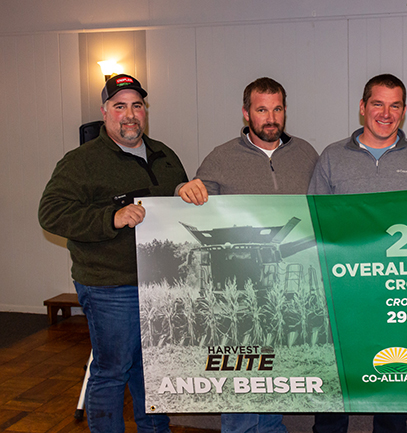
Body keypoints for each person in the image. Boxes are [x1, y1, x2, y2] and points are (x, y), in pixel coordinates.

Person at [39, 74, 188, 432]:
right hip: (110, 286)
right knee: (112, 371)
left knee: (152, 370)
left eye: (137, 105)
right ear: (105, 112)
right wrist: (111, 217)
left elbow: (176, 202)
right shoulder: (81, 162)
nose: (130, 115)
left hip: (161, 285)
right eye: (120, 106)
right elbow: (51, 213)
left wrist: (186, 191)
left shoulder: (164, 155)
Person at [178, 77, 319, 433]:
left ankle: (270, 428)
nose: (271, 118)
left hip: (277, 282)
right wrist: (183, 188)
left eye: (277, 109)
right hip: (235, 286)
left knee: (272, 369)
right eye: (261, 110)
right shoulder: (221, 157)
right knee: (240, 375)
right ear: (246, 113)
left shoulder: (306, 154)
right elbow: (196, 200)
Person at [309, 74, 407, 433]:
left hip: (402, 291)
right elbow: (315, 220)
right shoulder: (332, 157)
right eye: (378, 104)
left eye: (394, 105)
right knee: (337, 381)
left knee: (396, 376)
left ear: (404, 110)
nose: (386, 113)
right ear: (362, 107)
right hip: (344, 291)